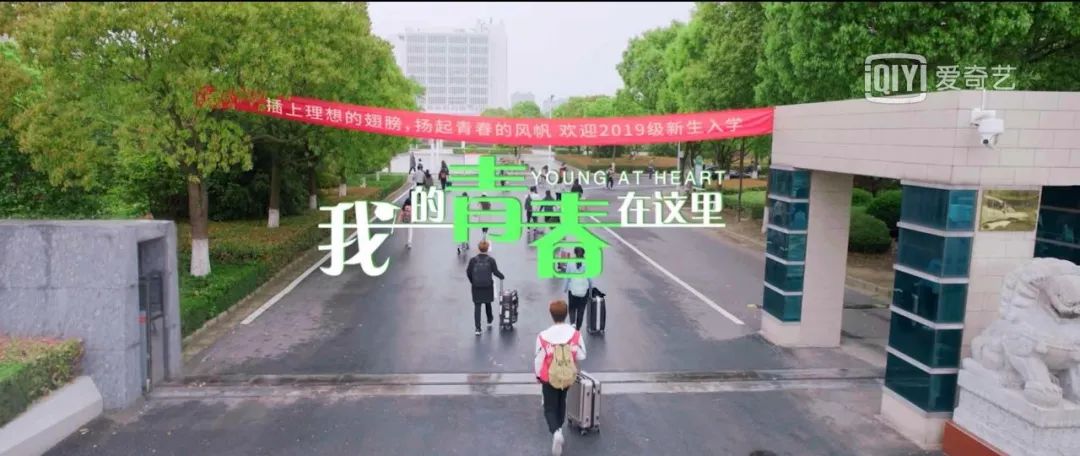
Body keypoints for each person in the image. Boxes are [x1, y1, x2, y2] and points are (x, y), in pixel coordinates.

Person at [534, 299, 586, 456]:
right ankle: (560, 427)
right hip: (567, 375)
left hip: (549, 377)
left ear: (551, 315)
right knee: (561, 401)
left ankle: (556, 432)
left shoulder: (543, 336)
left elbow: (538, 359)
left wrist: (538, 376)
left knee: (549, 407)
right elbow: (582, 355)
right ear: (566, 314)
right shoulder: (575, 334)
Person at [466, 240, 505, 336]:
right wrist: (502, 276)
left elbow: (468, 272)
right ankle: (489, 319)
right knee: (488, 302)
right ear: (487, 249)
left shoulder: (473, 260)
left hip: (476, 286)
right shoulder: (491, 260)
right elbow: (495, 272)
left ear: (478, 249)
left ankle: (478, 328)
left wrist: (472, 281)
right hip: (488, 286)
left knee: (477, 306)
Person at [562, 247, 593, 330]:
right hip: (584, 291)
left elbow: (567, 277)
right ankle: (578, 329)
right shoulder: (587, 263)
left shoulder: (570, 263)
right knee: (581, 310)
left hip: (572, 290)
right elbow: (590, 280)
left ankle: (573, 324)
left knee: (572, 308)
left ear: (575, 253)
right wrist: (590, 292)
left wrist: (565, 288)